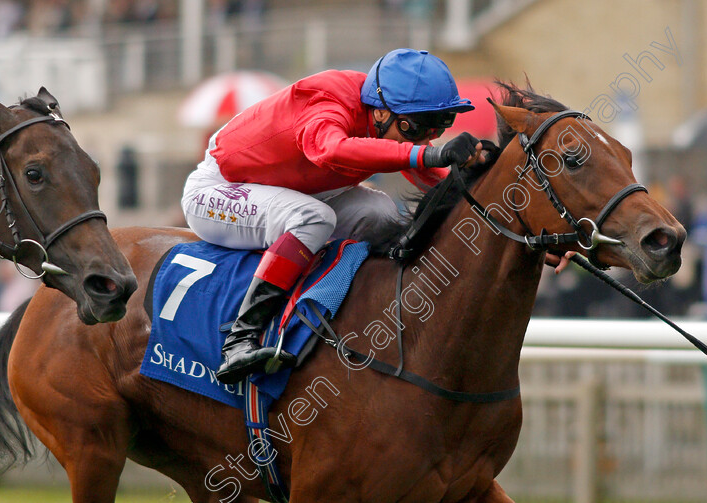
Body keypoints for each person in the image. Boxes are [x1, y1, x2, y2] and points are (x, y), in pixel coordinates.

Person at [181, 48, 489, 384]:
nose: (427, 138)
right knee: (313, 218)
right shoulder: (329, 98)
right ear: (382, 111)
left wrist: (480, 199)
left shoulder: (386, 116)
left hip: (299, 195)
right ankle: (240, 339)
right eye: (416, 128)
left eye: (436, 129)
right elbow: (329, 149)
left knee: (382, 212)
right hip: (218, 191)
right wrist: (432, 154)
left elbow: (425, 171)